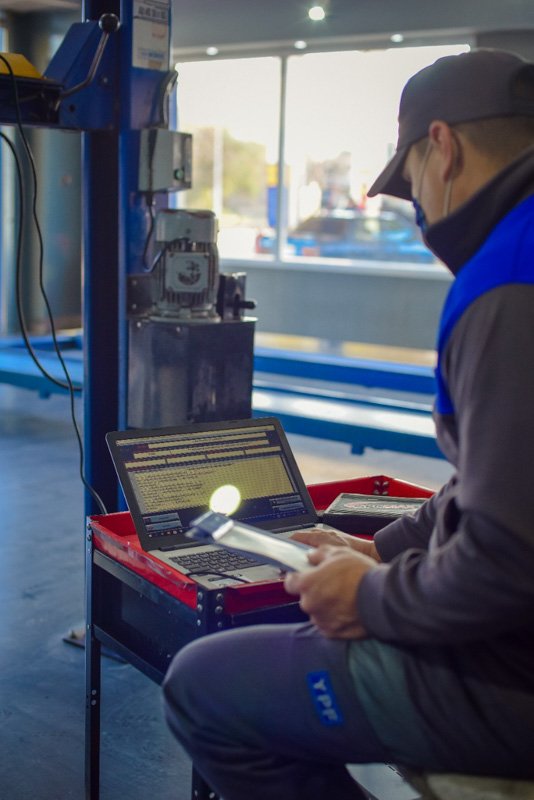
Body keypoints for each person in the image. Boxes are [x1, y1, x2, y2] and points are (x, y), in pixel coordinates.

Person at [162, 49, 534, 800]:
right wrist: (379, 546)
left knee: (205, 685)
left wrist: (367, 597)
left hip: (516, 671)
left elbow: (505, 560)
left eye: (413, 187)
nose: (420, 207)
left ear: (444, 148)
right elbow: (494, 482)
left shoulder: (508, 286)